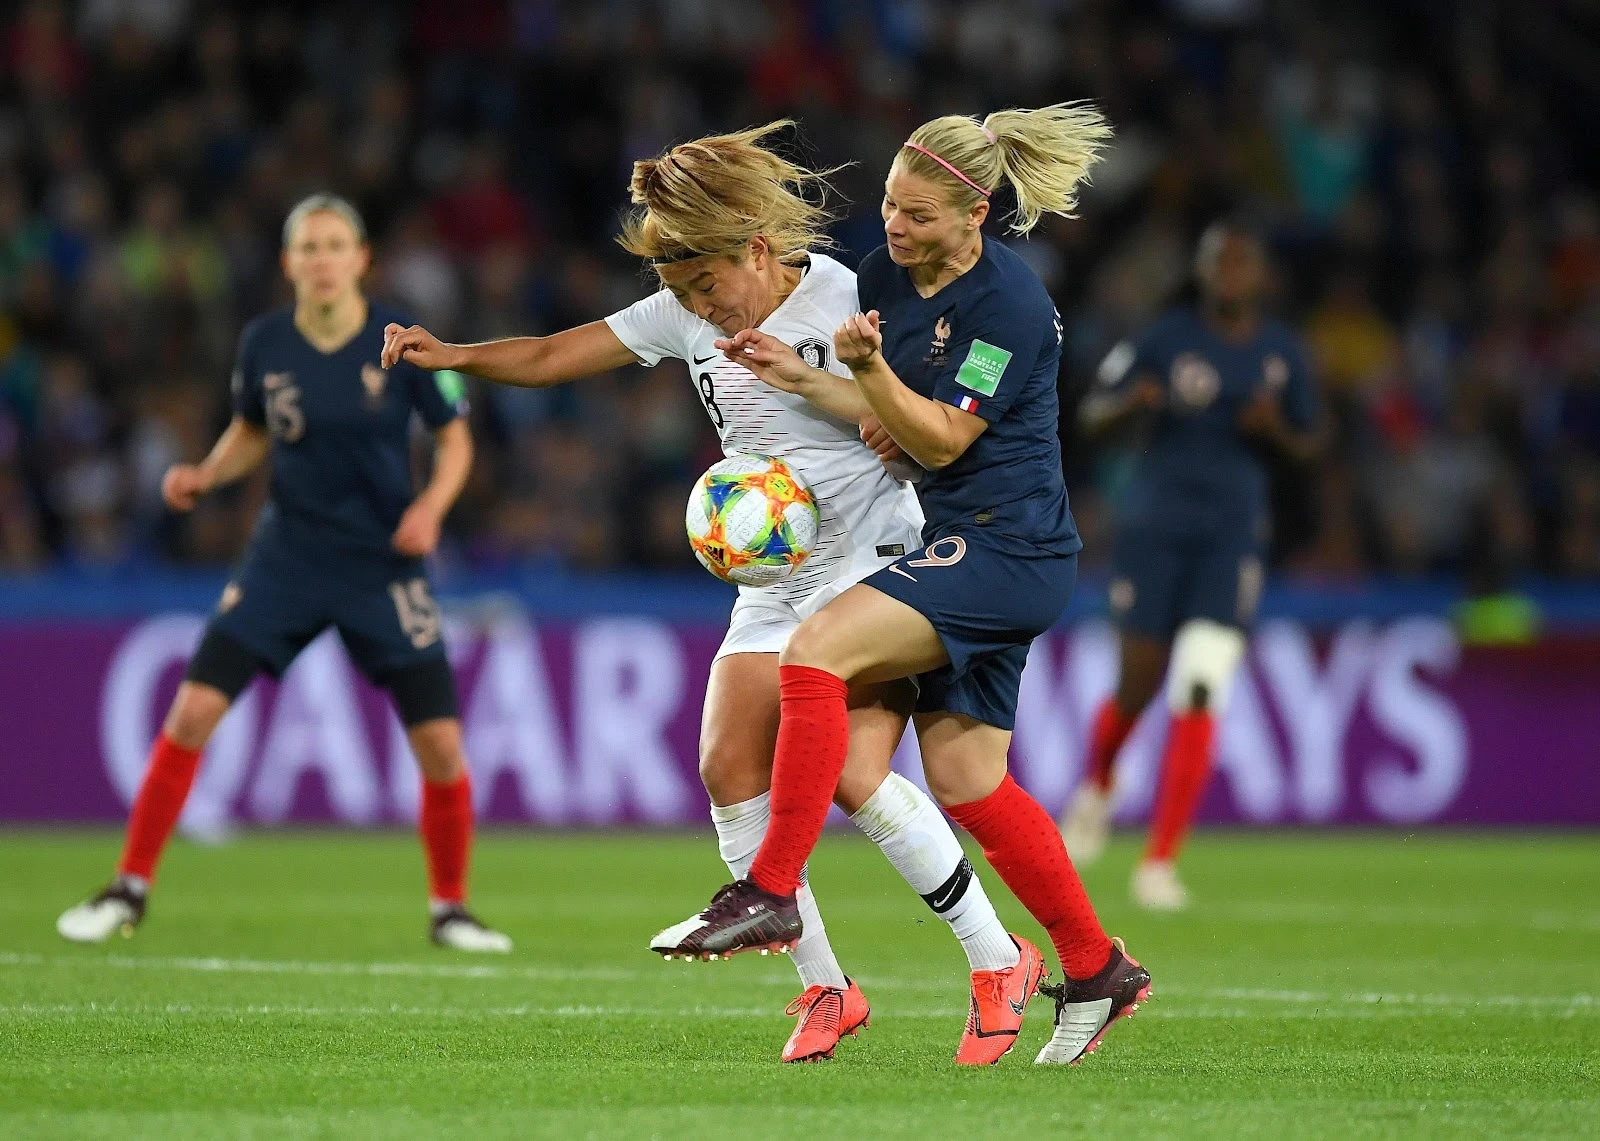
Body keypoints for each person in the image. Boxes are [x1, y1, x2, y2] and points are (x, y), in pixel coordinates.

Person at [380, 122, 1023, 1065]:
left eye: (707, 285)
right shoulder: (685, 313)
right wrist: (455, 354)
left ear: (758, 251)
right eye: (680, 293)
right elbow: (559, 355)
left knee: (849, 773)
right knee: (727, 767)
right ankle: (828, 991)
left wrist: (890, 425)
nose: (698, 309)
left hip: (872, 556)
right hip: (776, 571)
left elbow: (930, 405)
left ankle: (995, 958)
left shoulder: (852, 296)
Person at [654, 104, 1152, 1067]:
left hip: (1008, 549)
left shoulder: (1010, 303)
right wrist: (809, 383)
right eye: (888, 203)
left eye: (919, 214)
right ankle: (1095, 968)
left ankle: (768, 889)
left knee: (817, 653)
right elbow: (880, 408)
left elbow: (941, 437)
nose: (895, 226)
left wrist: (875, 381)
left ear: (976, 213)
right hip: (955, 539)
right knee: (967, 780)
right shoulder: (880, 276)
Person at [55, 196, 510, 952]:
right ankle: (126, 888)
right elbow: (250, 431)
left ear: (362, 258)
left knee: (440, 745)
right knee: (192, 713)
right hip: (286, 557)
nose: (323, 259)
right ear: (288, 262)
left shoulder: (401, 339)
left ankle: (451, 908)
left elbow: (455, 439)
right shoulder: (265, 342)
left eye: (336, 245)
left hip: (382, 563)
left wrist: (432, 505)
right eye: (309, 247)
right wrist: (205, 474)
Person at [1059, 220, 1321, 909]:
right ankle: (1099, 782)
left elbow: (1314, 443)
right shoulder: (1164, 337)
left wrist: (1279, 433)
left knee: (1202, 682)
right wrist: (1129, 405)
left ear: (1260, 274)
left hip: (1231, 537)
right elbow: (1091, 415)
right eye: (1219, 262)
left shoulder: (1282, 352)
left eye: (1243, 262)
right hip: (1155, 530)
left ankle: (1160, 860)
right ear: (1204, 272)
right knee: (1138, 682)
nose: (1231, 273)